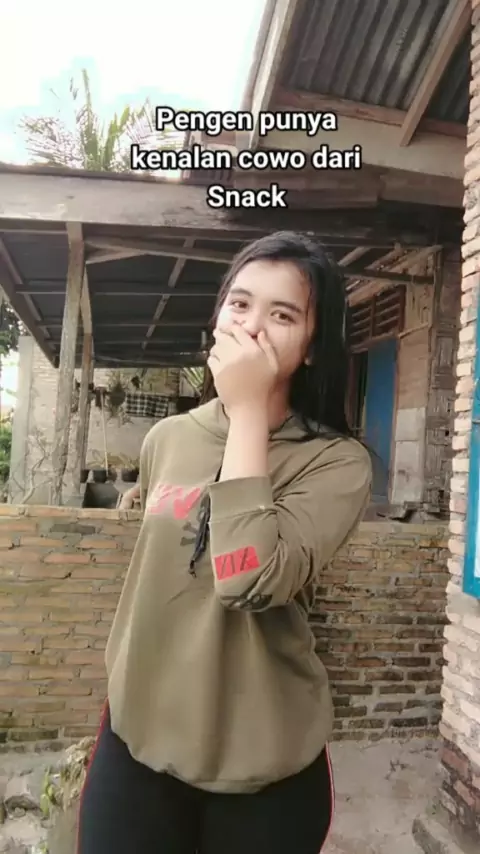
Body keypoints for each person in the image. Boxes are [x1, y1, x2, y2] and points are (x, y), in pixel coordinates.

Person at [77, 231, 372, 854]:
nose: (252, 327)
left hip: (263, 769)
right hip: (137, 742)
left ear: (313, 347)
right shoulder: (167, 438)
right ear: (217, 318)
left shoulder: (336, 463)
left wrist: (247, 412)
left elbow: (247, 580)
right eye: (239, 304)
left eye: (283, 315)